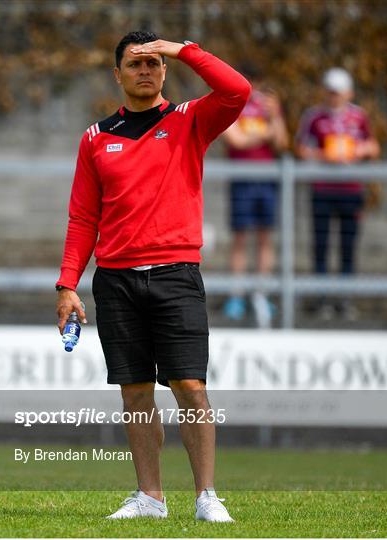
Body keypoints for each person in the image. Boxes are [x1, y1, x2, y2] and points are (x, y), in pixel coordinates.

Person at [55, 30, 251, 521]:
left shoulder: (189, 121)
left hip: (176, 274)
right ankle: (150, 497)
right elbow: (83, 218)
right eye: (135, 63)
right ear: (117, 74)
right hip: (116, 281)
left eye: (153, 63)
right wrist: (66, 285)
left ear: (164, 71)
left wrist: (183, 50)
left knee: (190, 387)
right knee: (136, 391)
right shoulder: (96, 139)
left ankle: (207, 496)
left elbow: (237, 91)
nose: (145, 71)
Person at [296, 68, 380, 320]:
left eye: (339, 92)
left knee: (348, 246)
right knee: (321, 245)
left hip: (351, 190)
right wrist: (325, 156)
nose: (334, 97)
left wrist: (358, 151)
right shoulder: (314, 116)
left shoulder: (359, 116)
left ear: (349, 92)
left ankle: (345, 299)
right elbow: (301, 148)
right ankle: (321, 299)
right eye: (330, 92)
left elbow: (373, 147)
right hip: (322, 189)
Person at [221, 65, 288, 326]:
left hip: (267, 180)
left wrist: (276, 119)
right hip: (242, 180)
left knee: (265, 237)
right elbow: (236, 140)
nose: (254, 87)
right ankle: (236, 294)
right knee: (239, 237)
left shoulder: (269, 106)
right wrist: (265, 134)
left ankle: (261, 292)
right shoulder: (232, 104)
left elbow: (282, 143)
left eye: (257, 81)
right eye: (250, 80)